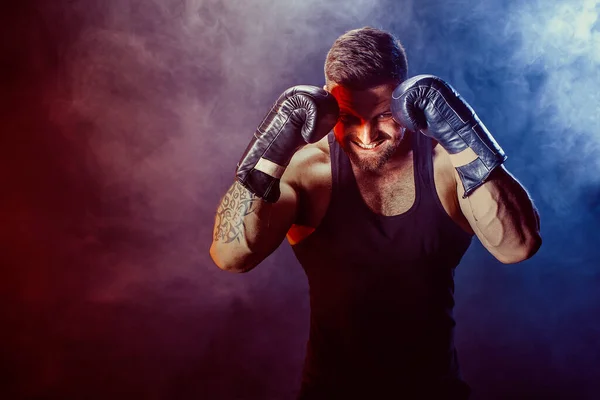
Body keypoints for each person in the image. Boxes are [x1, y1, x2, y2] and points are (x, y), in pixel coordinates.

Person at [210, 27, 541, 400]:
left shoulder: (446, 164)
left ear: (403, 101)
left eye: (384, 115)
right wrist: (268, 151)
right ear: (328, 105)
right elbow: (231, 256)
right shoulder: (305, 171)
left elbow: (517, 247)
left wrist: (463, 136)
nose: (367, 135)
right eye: (349, 118)